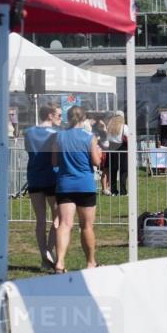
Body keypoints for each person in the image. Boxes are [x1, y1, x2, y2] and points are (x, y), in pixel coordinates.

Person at [52, 106, 102, 273]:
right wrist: (99, 154)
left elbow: (54, 162)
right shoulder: (90, 137)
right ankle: (90, 262)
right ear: (83, 118)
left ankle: (59, 262)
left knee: (65, 225)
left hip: (65, 185)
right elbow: (96, 162)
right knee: (86, 226)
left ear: (68, 117)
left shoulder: (59, 136)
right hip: (85, 185)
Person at [24, 103, 62, 269]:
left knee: (40, 220)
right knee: (57, 218)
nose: (61, 119)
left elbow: (28, 150)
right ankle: (48, 251)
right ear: (50, 116)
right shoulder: (56, 134)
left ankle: (44, 255)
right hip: (52, 177)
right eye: (59, 115)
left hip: (34, 177)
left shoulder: (29, 132)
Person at [104, 110, 129, 195]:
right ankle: (123, 191)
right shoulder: (124, 127)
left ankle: (113, 191)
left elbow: (106, 139)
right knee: (124, 171)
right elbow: (129, 138)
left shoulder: (109, 127)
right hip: (122, 150)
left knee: (113, 171)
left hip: (111, 149)